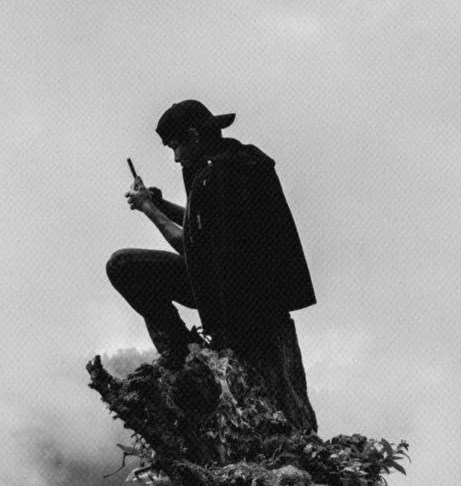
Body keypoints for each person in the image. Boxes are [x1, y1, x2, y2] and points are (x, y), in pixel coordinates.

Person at [107, 100, 318, 432]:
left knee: (122, 266)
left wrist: (149, 209)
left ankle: (181, 351)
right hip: (256, 293)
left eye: (177, 146)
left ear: (193, 136)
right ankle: (185, 352)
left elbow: (191, 247)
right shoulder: (241, 162)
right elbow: (203, 226)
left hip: (230, 298)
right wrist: (160, 201)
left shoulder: (214, 176)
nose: (176, 157)